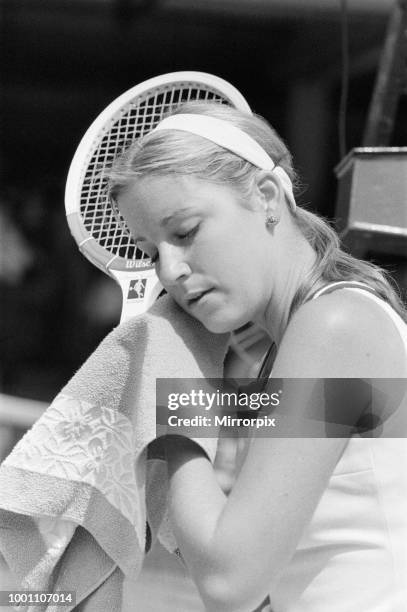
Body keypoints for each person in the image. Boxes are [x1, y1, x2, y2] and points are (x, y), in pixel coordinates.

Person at [106, 101, 407, 612]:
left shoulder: (334, 326)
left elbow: (231, 584)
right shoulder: (304, 337)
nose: (170, 270)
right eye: (151, 251)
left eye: (185, 232)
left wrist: (168, 401)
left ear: (266, 196)